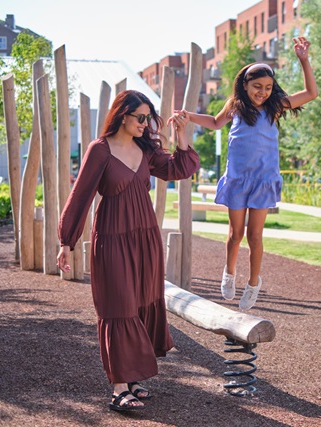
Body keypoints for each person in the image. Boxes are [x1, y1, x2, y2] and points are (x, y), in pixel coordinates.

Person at [56, 90, 199, 411]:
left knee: (140, 304)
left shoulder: (146, 149)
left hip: (146, 238)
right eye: (141, 117)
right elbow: (80, 196)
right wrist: (67, 241)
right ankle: (119, 387)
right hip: (112, 238)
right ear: (123, 115)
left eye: (148, 118)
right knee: (117, 307)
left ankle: (134, 378)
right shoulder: (100, 150)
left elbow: (180, 168)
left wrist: (181, 135)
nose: (146, 124)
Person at [175, 36, 318, 310]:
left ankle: (253, 283)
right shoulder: (235, 107)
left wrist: (304, 60)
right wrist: (189, 115)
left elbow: (310, 94)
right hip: (238, 179)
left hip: (263, 181)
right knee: (234, 234)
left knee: (255, 236)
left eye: (267, 87)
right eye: (257, 87)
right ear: (245, 85)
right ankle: (229, 273)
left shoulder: (275, 108)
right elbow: (215, 123)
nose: (262, 92)